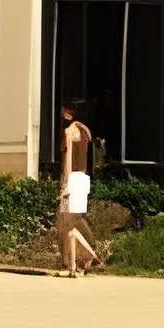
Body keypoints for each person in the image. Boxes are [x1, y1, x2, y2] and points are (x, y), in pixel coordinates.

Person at [55, 98, 102, 277]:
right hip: (84, 179)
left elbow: (68, 160)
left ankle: (90, 255)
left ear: (68, 112)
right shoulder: (86, 131)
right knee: (72, 222)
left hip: (72, 179)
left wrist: (64, 184)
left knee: (66, 224)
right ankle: (75, 265)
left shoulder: (69, 131)